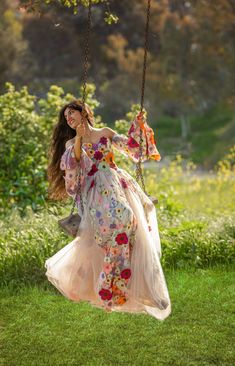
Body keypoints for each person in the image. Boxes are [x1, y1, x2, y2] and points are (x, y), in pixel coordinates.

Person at [45, 99, 171, 320]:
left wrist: (139, 126)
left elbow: (133, 149)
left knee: (134, 233)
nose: (69, 118)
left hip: (118, 186)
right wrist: (79, 141)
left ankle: (133, 290)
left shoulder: (105, 132)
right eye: (66, 117)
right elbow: (74, 170)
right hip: (96, 193)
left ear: (84, 113)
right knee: (122, 225)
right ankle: (108, 286)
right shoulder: (71, 144)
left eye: (72, 113)